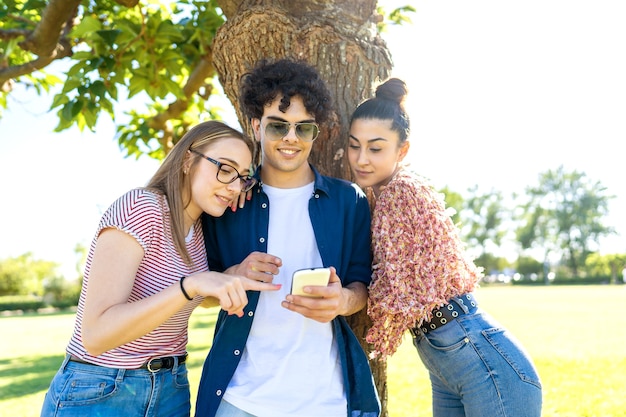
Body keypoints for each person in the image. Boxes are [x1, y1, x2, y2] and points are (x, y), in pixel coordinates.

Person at [40, 121, 281, 417]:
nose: (233, 187)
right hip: (103, 389)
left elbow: (185, 297)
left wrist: (228, 277)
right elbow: (96, 334)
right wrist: (190, 285)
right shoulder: (141, 208)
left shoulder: (203, 228)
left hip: (171, 388)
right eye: (226, 169)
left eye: (243, 178)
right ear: (187, 160)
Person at [347, 78, 543, 417]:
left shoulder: (400, 192)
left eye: (376, 148)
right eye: (354, 146)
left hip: (481, 361)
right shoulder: (383, 194)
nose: (361, 159)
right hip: (448, 356)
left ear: (402, 150)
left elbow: (396, 290)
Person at [196, 58, 380, 417]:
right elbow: (197, 293)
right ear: (255, 126)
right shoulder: (229, 201)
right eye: (278, 126)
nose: (291, 138)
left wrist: (341, 300)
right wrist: (232, 276)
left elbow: (363, 287)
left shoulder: (349, 201)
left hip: (325, 401)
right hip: (239, 400)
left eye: (303, 128)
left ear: (316, 132)